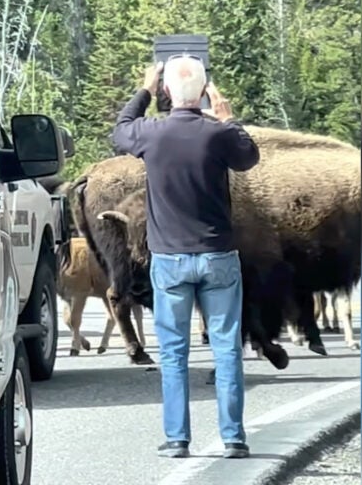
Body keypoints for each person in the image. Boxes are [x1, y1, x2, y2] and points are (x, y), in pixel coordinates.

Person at [112, 57, 260, 459]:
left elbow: (120, 131)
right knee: (227, 349)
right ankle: (234, 438)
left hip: (170, 260)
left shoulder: (151, 135)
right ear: (205, 92)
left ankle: (178, 438)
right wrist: (229, 119)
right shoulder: (218, 135)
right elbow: (248, 158)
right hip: (218, 257)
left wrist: (143, 87)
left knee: (174, 352)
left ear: (166, 93)